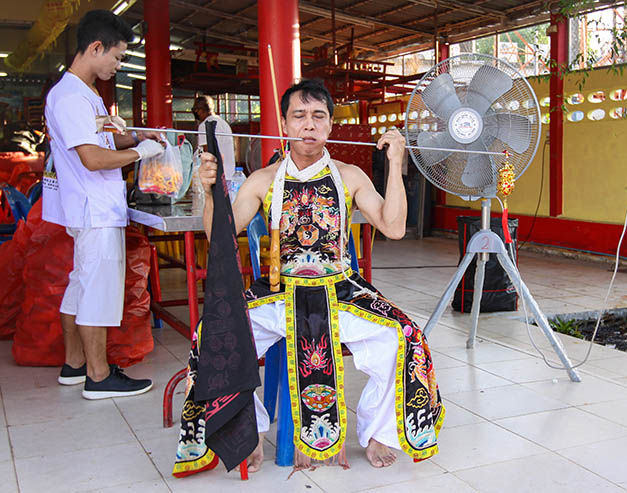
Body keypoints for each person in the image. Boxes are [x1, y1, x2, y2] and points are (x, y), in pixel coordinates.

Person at [174, 79, 443, 475]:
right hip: (279, 291)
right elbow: (220, 235)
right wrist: (210, 189)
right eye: (299, 116)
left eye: (318, 116)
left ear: (330, 125)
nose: (309, 125)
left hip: (339, 288)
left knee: (405, 335)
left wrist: (397, 164)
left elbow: (394, 227)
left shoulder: (349, 175)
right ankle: (246, 431)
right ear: (284, 123)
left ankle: (379, 431)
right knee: (212, 332)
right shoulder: (263, 179)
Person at [43, 9, 162, 399]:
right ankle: (98, 376)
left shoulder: (84, 93)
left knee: (80, 287)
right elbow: (92, 158)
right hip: (94, 208)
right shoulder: (71, 98)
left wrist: (134, 138)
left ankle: (74, 365)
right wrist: (139, 154)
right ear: (95, 48)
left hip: (92, 206)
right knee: (95, 291)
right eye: (117, 57)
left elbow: (103, 143)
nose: (117, 65)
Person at [192, 95, 236, 180]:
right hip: (229, 173)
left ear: (200, 110)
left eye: (195, 110)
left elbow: (206, 153)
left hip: (214, 175)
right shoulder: (223, 123)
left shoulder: (206, 125)